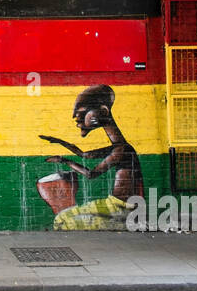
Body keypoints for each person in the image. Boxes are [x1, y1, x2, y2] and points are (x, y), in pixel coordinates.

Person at [39, 85, 143, 230]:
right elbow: (84, 154)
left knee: (65, 224)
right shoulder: (120, 146)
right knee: (62, 218)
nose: (76, 118)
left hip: (123, 211)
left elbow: (90, 174)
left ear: (103, 111)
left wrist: (65, 160)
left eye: (82, 113)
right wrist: (61, 142)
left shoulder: (122, 150)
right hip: (112, 204)